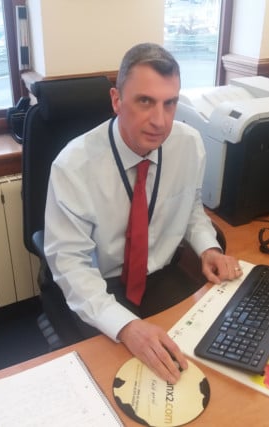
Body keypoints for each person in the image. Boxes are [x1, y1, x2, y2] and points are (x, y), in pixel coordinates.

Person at [44, 42, 242, 384]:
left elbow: (192, 210)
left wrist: (208, 247)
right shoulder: (73, 166)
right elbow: (71, 265)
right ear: (116, 100)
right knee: (119, 382)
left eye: (170, 103)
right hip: (98, 286)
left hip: (160, 276)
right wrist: (125, 326)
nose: (160, 121)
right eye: (145, 102)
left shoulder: (189, 145)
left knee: (206, 363)